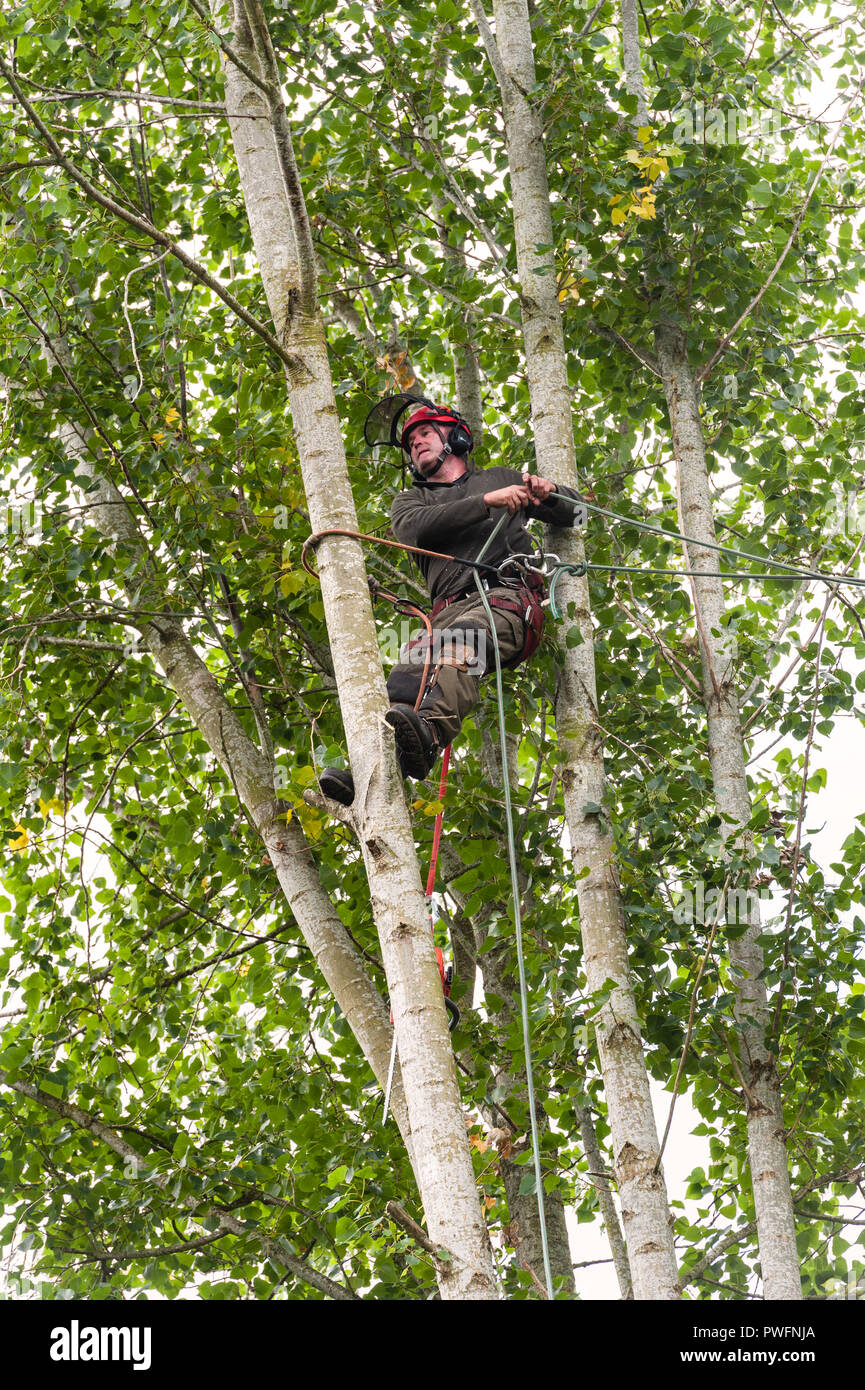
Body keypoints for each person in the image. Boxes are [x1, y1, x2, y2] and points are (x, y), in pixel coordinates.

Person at [318, 397, 583, 806]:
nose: (416, 445)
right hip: (446, 612)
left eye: (424, 433)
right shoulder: (411, 501)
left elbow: (577, 514)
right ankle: (367, 771)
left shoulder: (501, 476)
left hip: (507, 599)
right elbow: (416, 531)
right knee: (402, 682)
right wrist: (487, 503)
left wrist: (550, 494)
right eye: (410, 444)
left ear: (454, 437)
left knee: (464, 642)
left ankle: (431, 734)